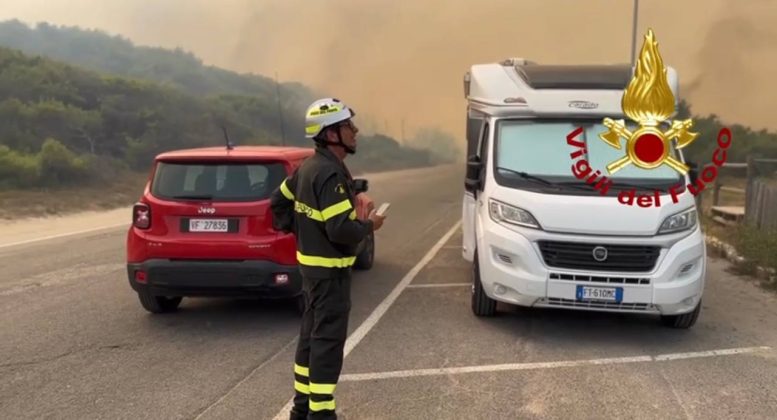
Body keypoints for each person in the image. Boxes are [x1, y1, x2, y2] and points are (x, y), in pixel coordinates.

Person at [270, 97, 386, 419]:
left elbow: (278, 202)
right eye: (349, 125)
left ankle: (301, 409)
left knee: (310, 341)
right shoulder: (330, 174)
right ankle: (321, 414)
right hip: (330, 277)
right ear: (331, 132)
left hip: (311, 275)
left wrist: (304, 231)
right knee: (327, 346)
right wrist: (370, 224)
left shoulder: (307, 168)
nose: (355, 131)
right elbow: (341, 230)